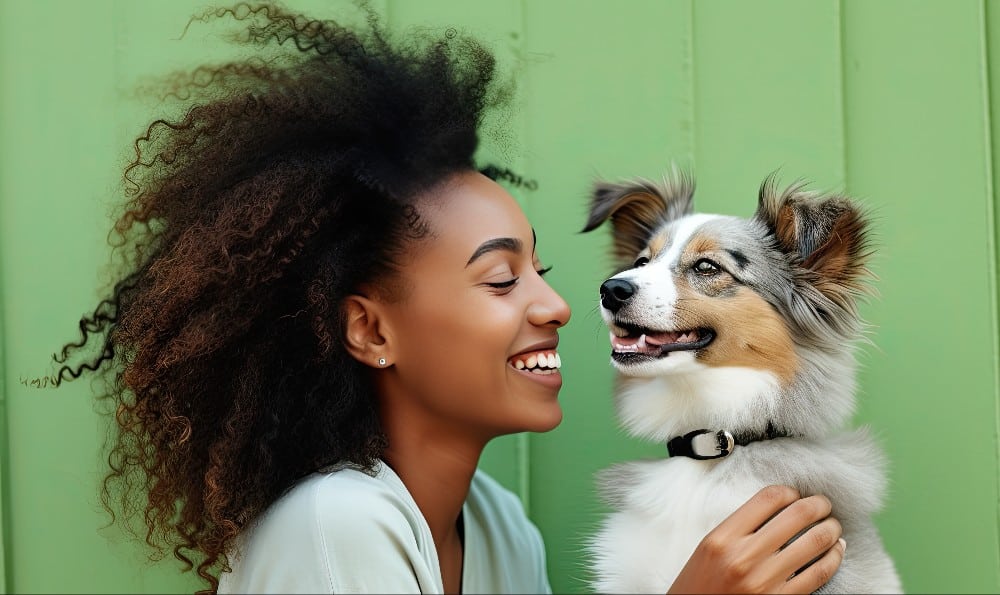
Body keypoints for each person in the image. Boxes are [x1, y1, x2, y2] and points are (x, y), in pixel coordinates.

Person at [51, 2, 846, 593]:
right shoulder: (335, 525)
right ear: (369, 329)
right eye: (501, 279)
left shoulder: (500, 527)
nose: (559, 306)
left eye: (540, 270)